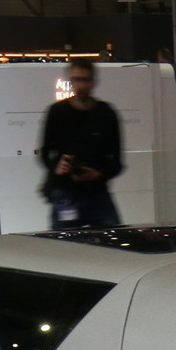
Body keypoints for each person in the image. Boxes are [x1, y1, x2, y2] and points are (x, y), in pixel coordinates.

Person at [38, 60, 123, 229]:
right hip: (65, 189)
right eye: (77, 80)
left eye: (85, 80)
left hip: (96, 191)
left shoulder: (106, 113)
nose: (81, 85)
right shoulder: (57, 112)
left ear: (93, 82)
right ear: (71, 81)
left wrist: (98, 174)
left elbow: (117, 161)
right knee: (64, 242)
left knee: (112, 236)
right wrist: (57, 167)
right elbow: (45, 152)